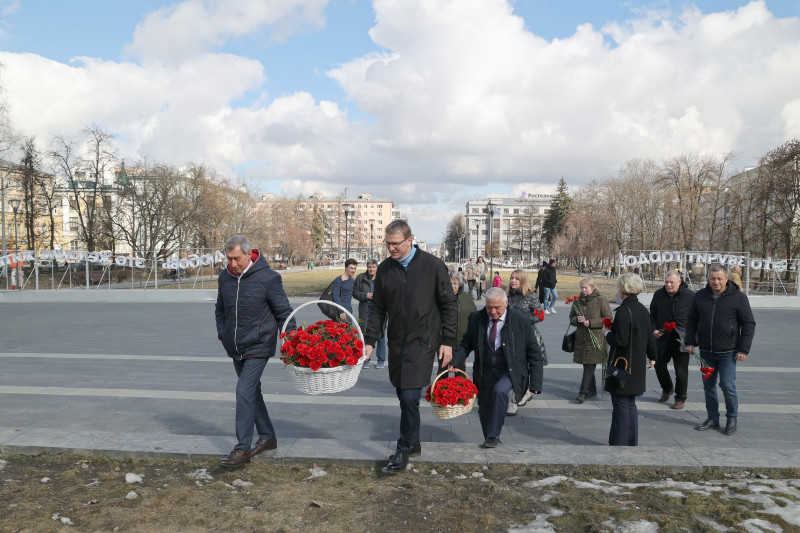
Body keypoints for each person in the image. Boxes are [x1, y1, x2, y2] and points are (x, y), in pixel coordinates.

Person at [363, 220, 457, 473]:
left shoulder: (433, 266)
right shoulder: (385, 269)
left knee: (409, 396)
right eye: (388, 244)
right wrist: (370, 341)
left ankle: (403, 449)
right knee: (403, 394)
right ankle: (413, 441)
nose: (390, 248)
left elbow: (449, 306)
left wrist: (448, 341)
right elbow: (378, 308)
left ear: (409, 239)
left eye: (395, 244)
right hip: (397, 341)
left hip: (423, 342)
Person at [215, 235, 295, 467]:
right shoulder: (225, 277)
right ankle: (268, 437)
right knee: (252, 392)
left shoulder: (269, 278)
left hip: (259, 344)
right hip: (234, 345)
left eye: (236, 259)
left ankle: (242, 449)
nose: (232, 264)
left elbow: (284, 312)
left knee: (243, 391)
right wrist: (223, 333)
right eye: (229, 259)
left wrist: (289, 340)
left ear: (249, 254)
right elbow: (220, 309)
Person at [450, 287, 543, 448]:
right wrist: (456, 360)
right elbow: (466, 343)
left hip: (510, 370)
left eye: (497, 307)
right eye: (489, 307)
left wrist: (535, 383)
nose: (492, 311)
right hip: (485, 370)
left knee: (500, 392)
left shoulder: (520, 320)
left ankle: (493, 435)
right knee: (484, 406)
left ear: (506, 304)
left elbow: (534, 352)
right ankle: (490, 437)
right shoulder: (477, 318)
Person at [685, 264, 756, 435]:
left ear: (727, 279)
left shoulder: (738, 297)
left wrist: (743, 349)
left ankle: (732, 417)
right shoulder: (700, 296)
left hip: (728, 352)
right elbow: (692, 320)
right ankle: (712, 418)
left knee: (727, 385)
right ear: (708, 279)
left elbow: (749, 324)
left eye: (719, 279)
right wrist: (689, 341)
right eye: (712, 278)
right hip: (707, 353)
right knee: (708, 386)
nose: (716, 282)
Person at [601, 273, 657, 447]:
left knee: (621, 405)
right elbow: (649, 336)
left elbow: (620, 340)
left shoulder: (625, 311)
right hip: (637, 364)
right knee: (630, 404)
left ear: (622, 289)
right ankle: (631, 441)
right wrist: (653, 356)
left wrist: (607, 333)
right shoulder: (641, 309)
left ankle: (620, 443)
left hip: (623, 365)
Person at [650, 270, 695, 410]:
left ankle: (680, 398)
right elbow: (652, 315)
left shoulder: (690, 296)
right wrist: (654, 330)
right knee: (658, 364)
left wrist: (693, 341)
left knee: (681, 371)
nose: (668, 285)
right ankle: (667, 388)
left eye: (671, 282)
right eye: (666, 282)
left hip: (681, 338)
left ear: (679, 282)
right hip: (663, 337)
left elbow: (697, 319)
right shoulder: (658, 295)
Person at [506, 269, 547, 416]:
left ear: (523, 281)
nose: (513, 281)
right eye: (512, 278)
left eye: (517, 278)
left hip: (528, 335)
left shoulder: (531, 296)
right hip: (510, 336)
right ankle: (519, 393)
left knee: (529, 364)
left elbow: (540, 316)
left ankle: (524, 392)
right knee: (515, 365)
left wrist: (522, 322)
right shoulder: (506, 296)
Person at [569, 276, 612, 404]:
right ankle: (592, 390)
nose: (583, 290)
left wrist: (591, 322)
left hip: (597, 339)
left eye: (585, 288)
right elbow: (571, 317)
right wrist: (577, 319)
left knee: (589, 365)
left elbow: (609, 319)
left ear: (592, 288)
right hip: (582, 338)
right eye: (581, 288)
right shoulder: (577, 301)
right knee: (587, 365)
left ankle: (582, 392)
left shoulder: (601, 300)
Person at [354, 259, 387, 368]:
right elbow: (355, 293)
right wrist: (365, 295)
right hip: (364, 310)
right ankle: (365, 359)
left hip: (379, 311)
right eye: (369, 267)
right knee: (364, 334)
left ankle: (381, 359)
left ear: (377, 267)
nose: (371, 269)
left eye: (373, 267)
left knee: (381, 335)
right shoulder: (361, 278)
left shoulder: (382, 278)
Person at [441, 271, 477, 372]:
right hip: (443, 341)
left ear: (460, 284)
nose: (452, 286)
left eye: (455, 283)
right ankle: (440, 388)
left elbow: (473, 316)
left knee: (460, 370)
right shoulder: (441, 297)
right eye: (450, 283)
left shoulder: (466, 298)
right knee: (442, 369)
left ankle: (459, 388)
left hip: (461, 342)